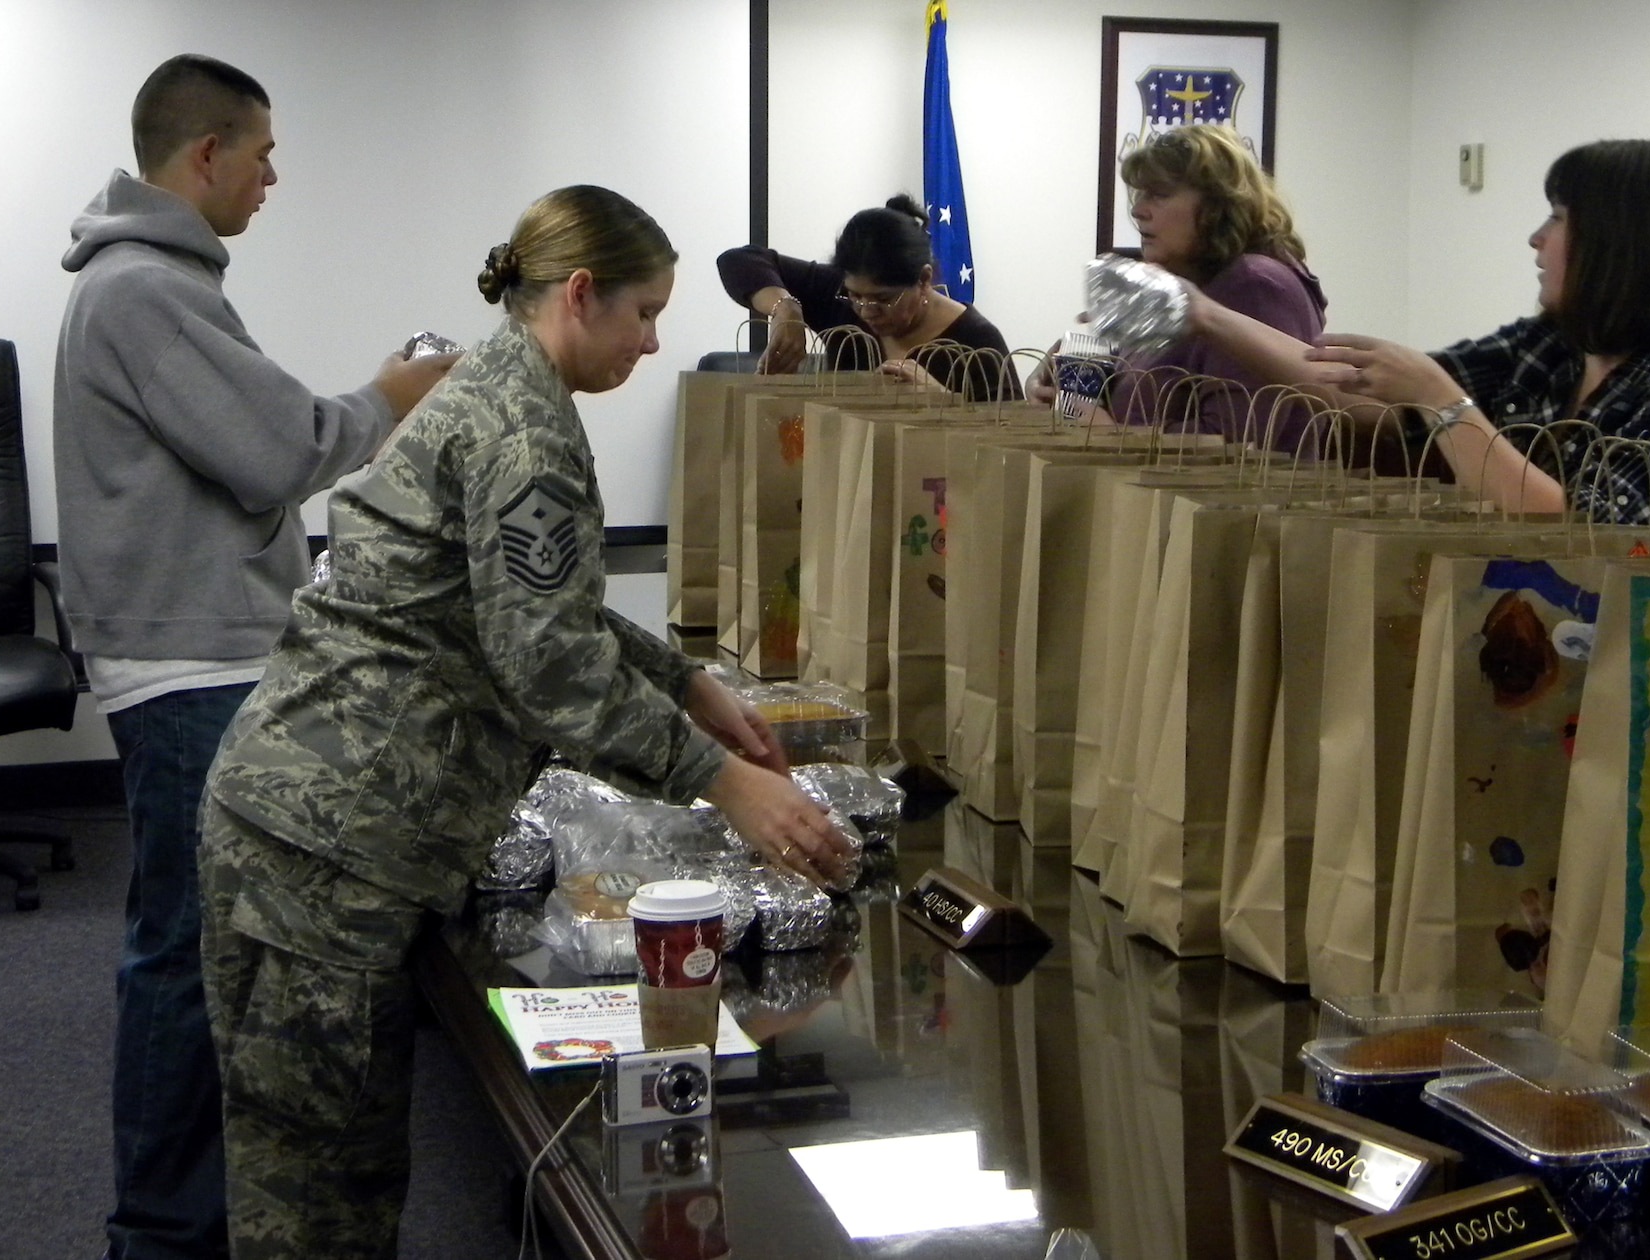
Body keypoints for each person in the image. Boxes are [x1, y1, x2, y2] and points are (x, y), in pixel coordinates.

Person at [196, 184, 847, 1257]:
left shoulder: (502, 389)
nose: (652, 341)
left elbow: (534, 606)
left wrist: (685, 682)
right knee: (315, 1198)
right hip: (323, 849)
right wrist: (722, 780)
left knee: (331, 1171)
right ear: (579, 294)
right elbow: (544, 663)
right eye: (642, 312)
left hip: (313, 827)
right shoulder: (523, 431)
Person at [52, 53, 455, 1260]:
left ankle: (190, 1219)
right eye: (264, 153)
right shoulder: (141, 291)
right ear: (205, 156)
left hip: (204, 660)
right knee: (184, 961)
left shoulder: (156, 284)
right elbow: (283, 450)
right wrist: (399, 391)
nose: (276, 176)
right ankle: (165, 1234)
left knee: (201, 952)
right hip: (188, 679)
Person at [1183, 138, 1650, 533]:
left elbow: (1577, 529)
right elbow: (1356, 391)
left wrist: (1441, 401)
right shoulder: (1546, 349)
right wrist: (1206, 314)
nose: (1536, 238)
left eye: (1556, 217)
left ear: (1619, 245)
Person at [1036, 122, 1328, 446]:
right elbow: (1138, 396)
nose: (1137, 211)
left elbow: (1238, 446)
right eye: (1139, 193)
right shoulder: (1185, 284)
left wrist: (1111, 435)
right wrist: (1055, 385)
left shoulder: (1254, 285)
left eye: (1159, 194)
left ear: (1217, 206)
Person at [716, 194, 1020, 401]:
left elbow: (1010, 445)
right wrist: (786, 311)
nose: (866, 310)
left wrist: (943, 402)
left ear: (924, 280)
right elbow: (739, 260)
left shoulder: (976, 341)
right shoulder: (838, 298)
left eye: (884, 299)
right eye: (856, 295)